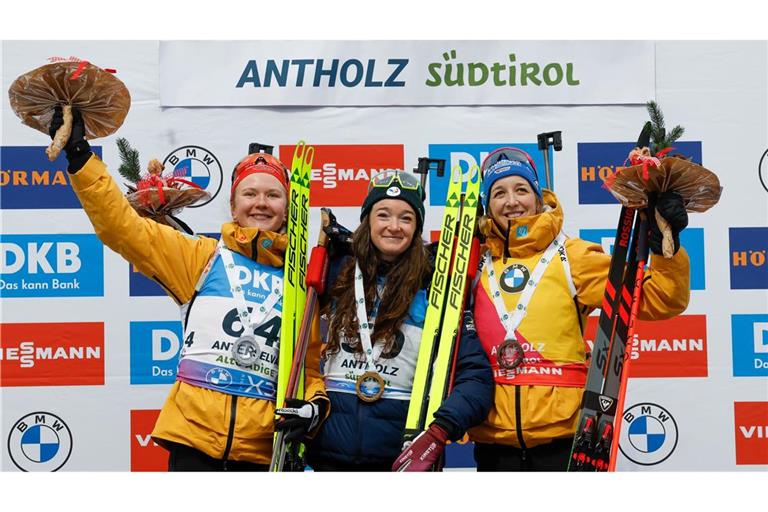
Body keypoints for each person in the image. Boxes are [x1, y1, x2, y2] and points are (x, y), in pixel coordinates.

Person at [48, 106, 328, 471]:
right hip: (193, 445)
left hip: (263, 452)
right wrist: (80, 156)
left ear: (288, 205)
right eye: (250, 193)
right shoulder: (201, 256)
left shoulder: (298, 283)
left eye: (273, 195)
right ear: (233, 204)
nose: (261, 202)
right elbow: (123, 227)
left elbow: (308, 369)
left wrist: (314, 406)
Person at [468, 146, 691, 471]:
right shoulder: (473, 263)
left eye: (521, 189)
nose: (511, 201)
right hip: (492, 444)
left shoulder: (570, 255)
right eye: (499, 192)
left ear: (538, 197)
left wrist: (665, 246)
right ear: (488, 205)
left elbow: (660, 298)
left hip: (565, 442)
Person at [305, 170, 493, 471]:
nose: (394, 226)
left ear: (417, 227)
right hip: (326, 456)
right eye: (383, 215)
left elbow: (476, 378)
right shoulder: (336, 274)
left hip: (401, 459)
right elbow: (297, 352)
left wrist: (438, 431)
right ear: (367, 220)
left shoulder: (436, 288)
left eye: (406, 218)